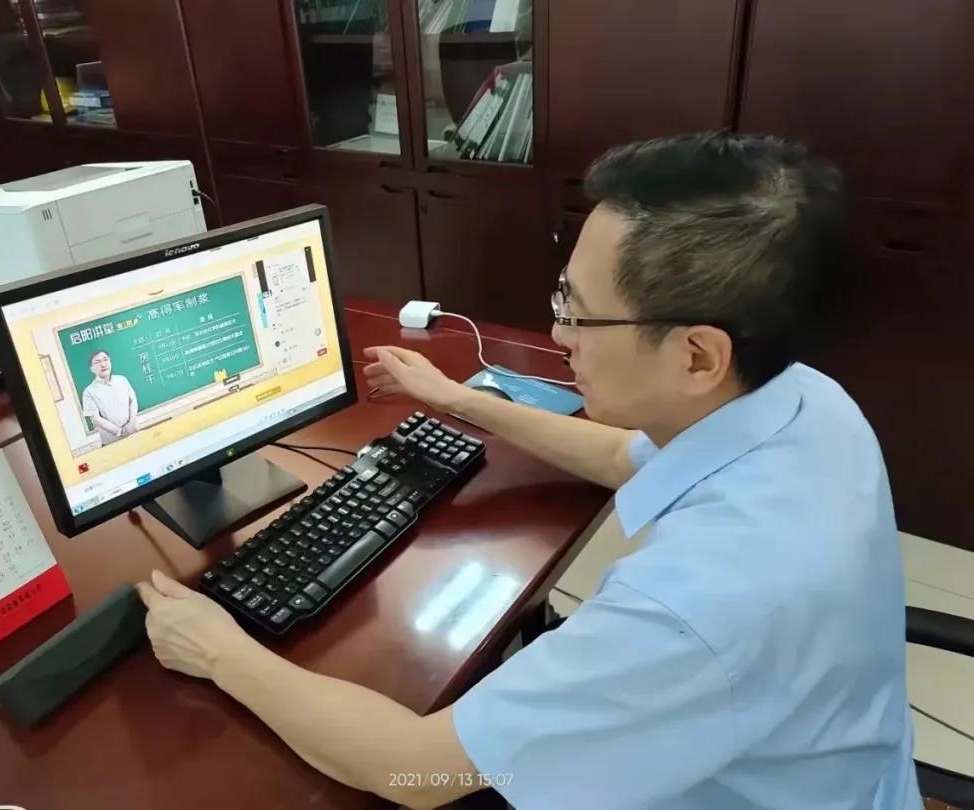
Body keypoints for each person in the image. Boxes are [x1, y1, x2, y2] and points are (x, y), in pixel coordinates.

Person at [135, 133, 922, 810]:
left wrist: (217, 650)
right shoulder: (804, 401)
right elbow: (622, 455)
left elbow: (415, 771)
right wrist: (457, 400)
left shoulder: (691, 611)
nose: (558, 331)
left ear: (696, 356)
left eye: (578, 310)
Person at [82, 349, 139, 446]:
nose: (103, 364)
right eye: (97, 362)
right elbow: (95, 419)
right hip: (111, 441)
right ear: (91, 369)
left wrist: (132, 422)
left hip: (133, 432)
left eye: (106, 360)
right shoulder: (88, 392)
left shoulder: (122, 380)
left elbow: (133, 401)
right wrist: (119, 431)